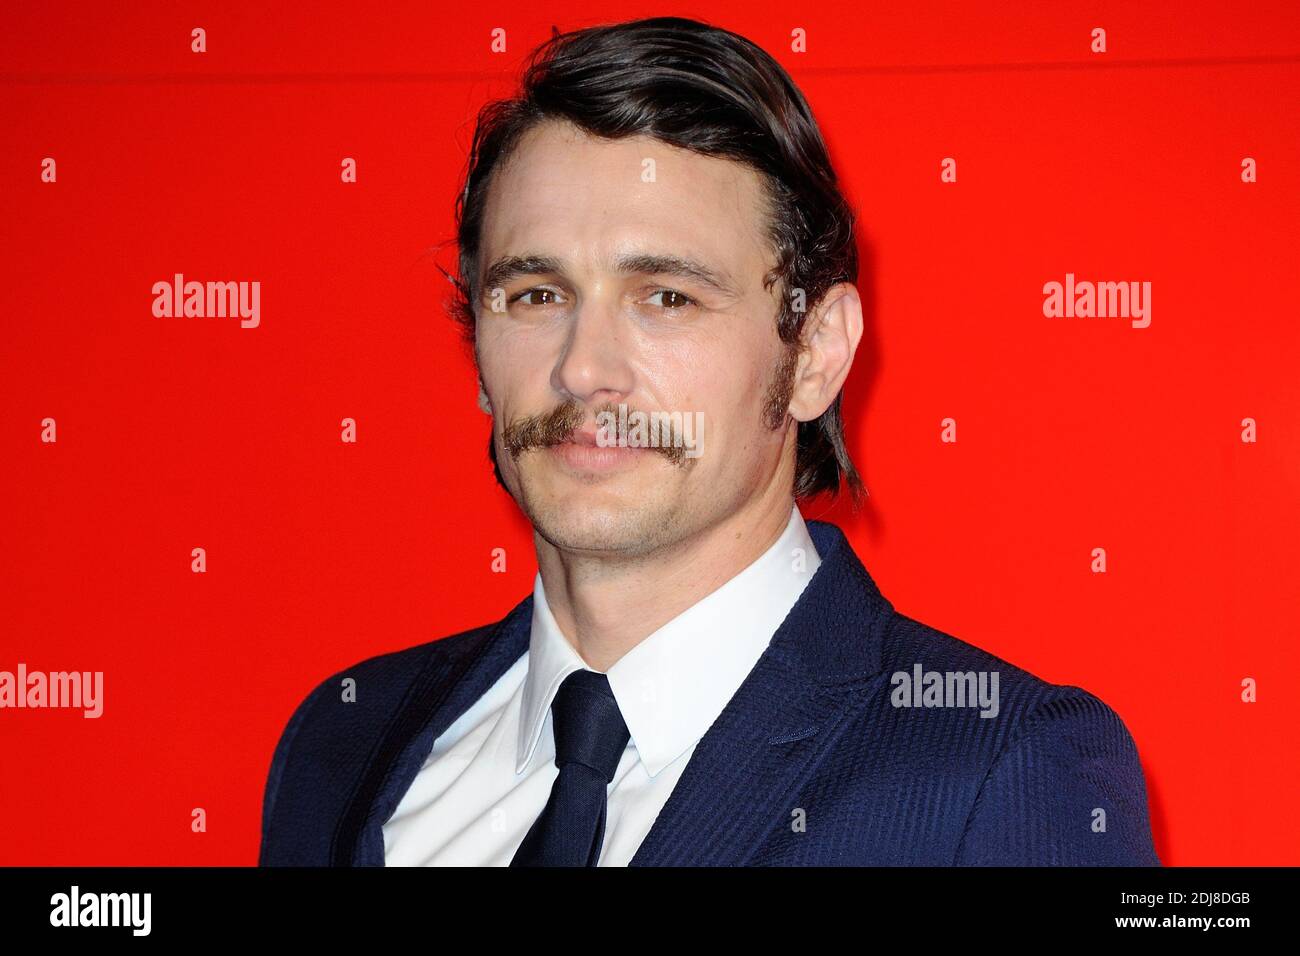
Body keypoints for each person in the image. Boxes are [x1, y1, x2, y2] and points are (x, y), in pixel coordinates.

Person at [258, 15, 1160, 866]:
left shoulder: (998, 772)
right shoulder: (341, 746)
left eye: (667, 297)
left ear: (814, 352)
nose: (583, 369)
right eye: (537, 295)